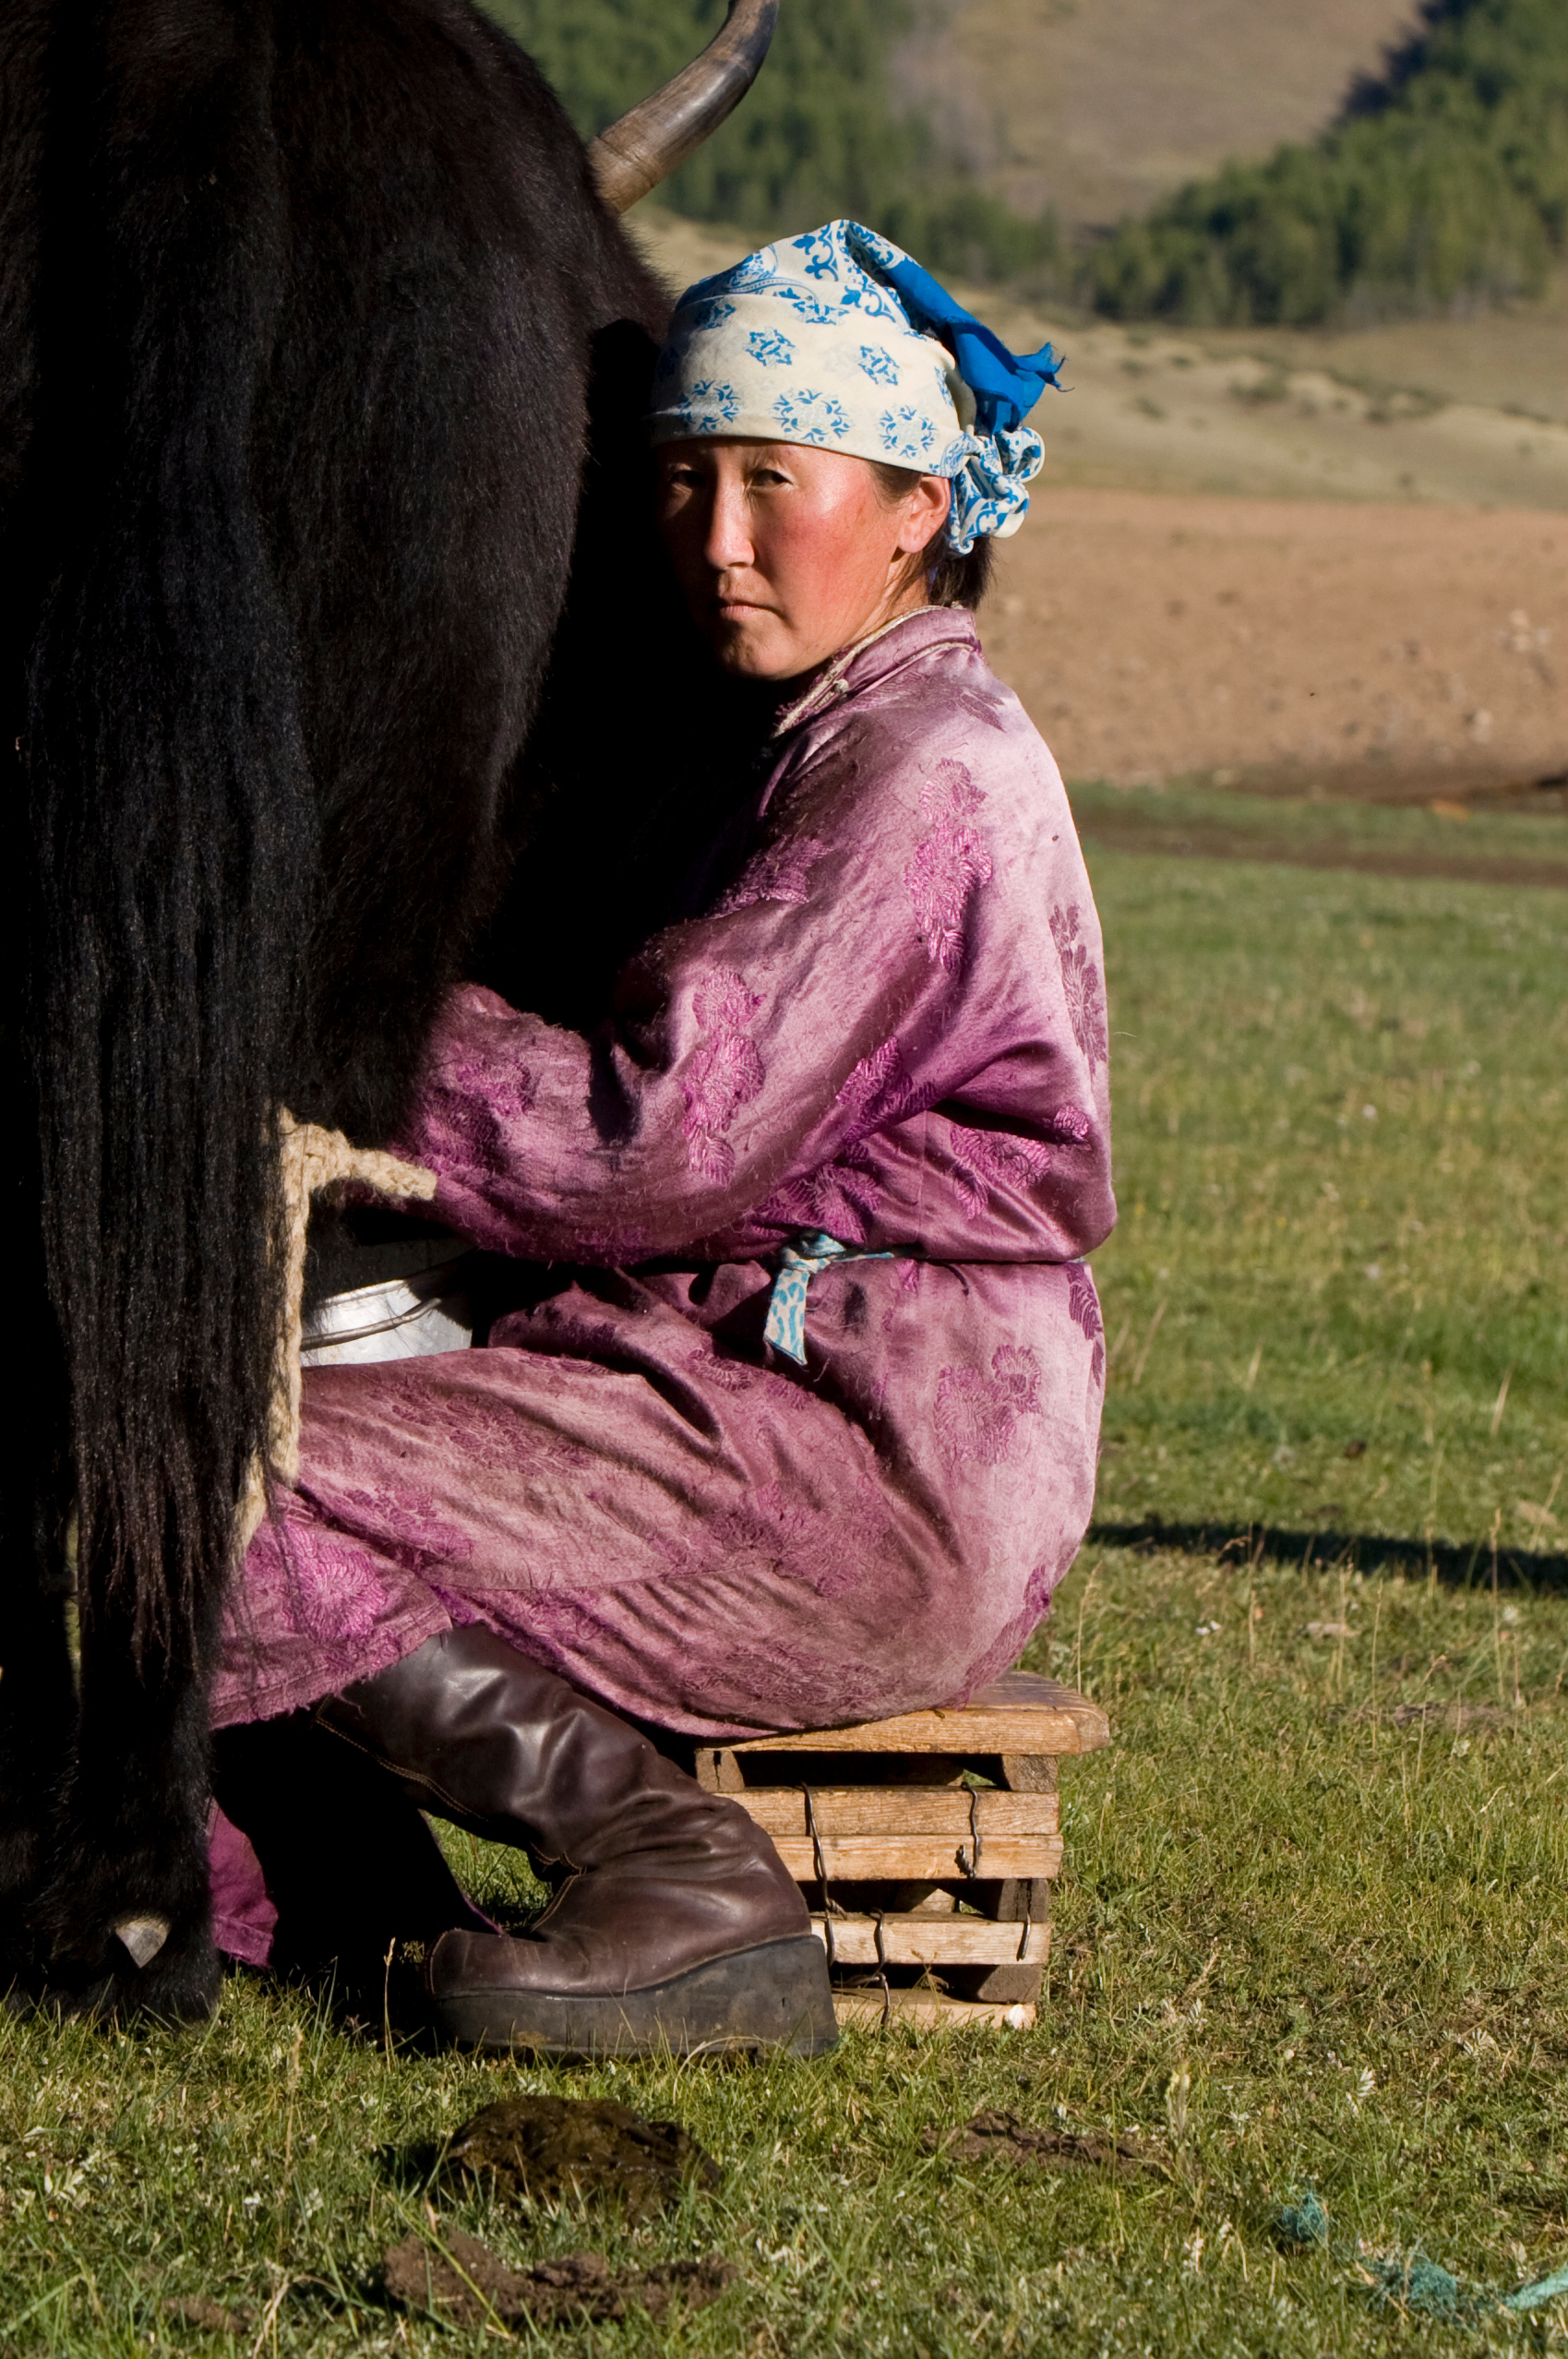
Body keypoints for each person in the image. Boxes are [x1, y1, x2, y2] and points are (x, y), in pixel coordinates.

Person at [209, 218, 1114, 2056]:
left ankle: (675, 1876)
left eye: (775, 484)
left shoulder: (923, 773)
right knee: (169, 1443)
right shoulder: (777, 741)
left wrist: (336, 1028)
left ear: (918, 503)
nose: (715, 542)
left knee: (202, 1486)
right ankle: (349, 1914)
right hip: (740, 1399)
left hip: (867, 1461)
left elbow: (650, 1134)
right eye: (686, 483)